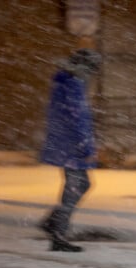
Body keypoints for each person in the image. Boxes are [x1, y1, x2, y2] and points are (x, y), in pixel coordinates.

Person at [38, 48, 102, 252]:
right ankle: (58, 234)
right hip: (72, 146)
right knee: (75, 188)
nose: (92, 75)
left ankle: (54, 223)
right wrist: (86, 144)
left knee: (78, 186)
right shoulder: (73, 84)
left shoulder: (63, 81)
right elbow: (78, 118)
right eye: (92, 69)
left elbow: (65, 115)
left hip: (63, 142)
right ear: (85, 67)